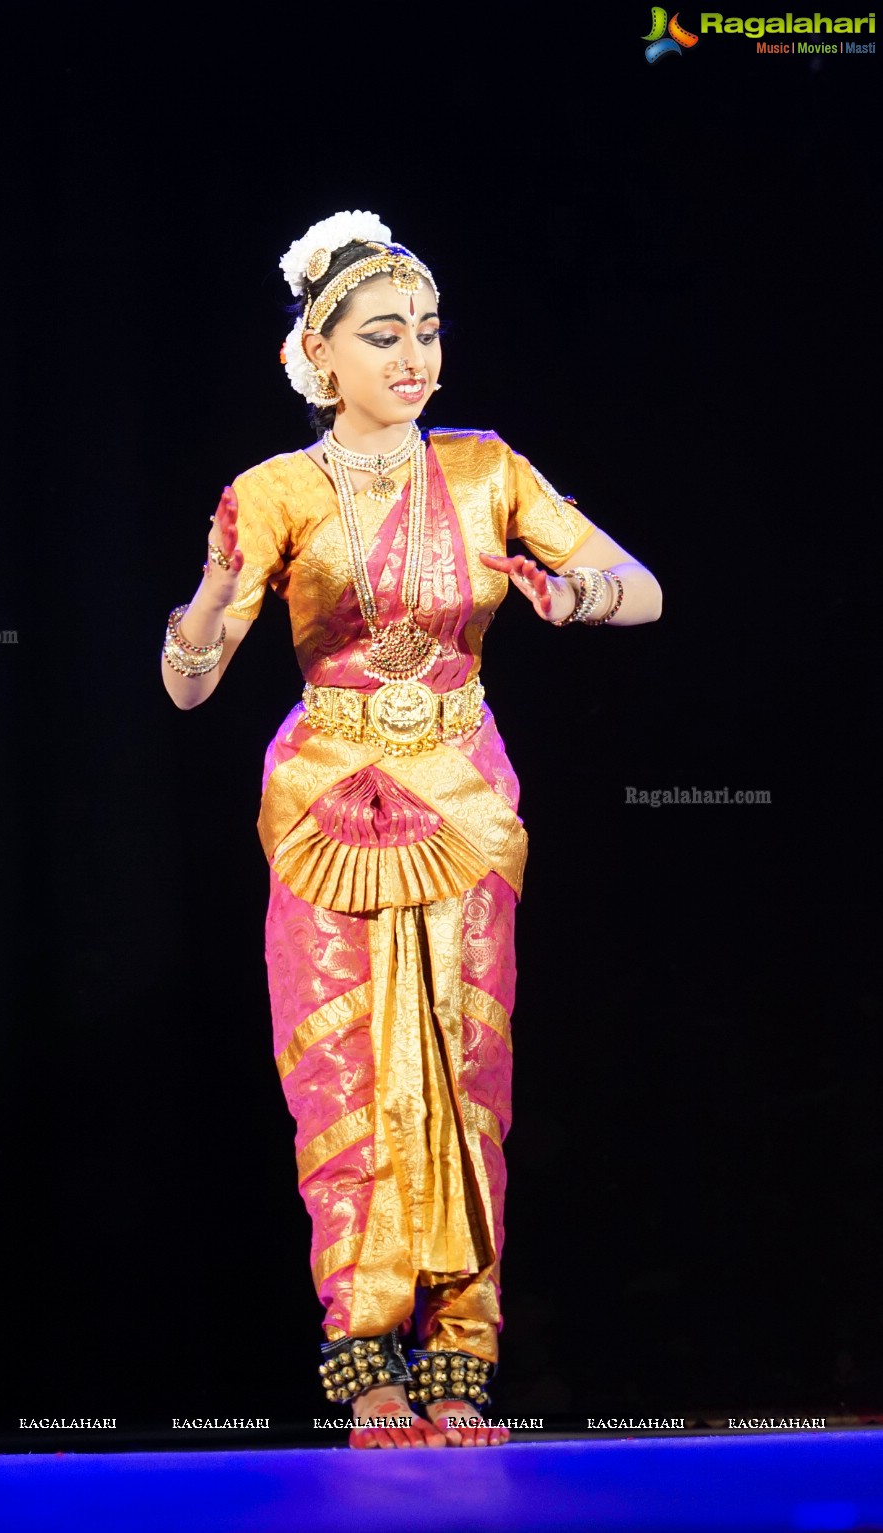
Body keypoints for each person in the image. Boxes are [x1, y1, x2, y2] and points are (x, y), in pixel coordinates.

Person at [160, 211, 662, 1449]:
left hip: (463, 799)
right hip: (328, 795)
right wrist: (214, 598)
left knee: (459, 1066)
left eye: (428, 333)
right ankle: (366, 1359)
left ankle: (462, 1364)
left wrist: (576, 593)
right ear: (317, 355)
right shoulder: (272, 491)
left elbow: (643, 588)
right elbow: (187, 684)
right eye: (383, 337)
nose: (415, 358)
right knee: (342, 1063)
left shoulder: (488, 468)